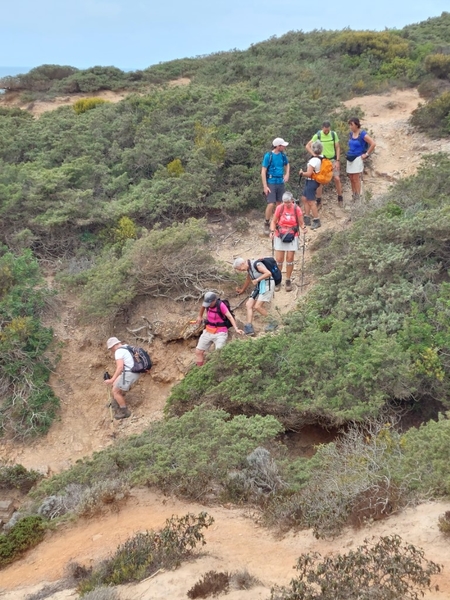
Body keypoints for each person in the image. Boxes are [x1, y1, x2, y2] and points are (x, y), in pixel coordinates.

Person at [270, 191, 307, 292]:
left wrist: (303, 228)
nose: (286, 204)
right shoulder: (280, 208)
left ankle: (288, 280)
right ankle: (278, 280)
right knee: (279, 259)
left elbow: (301, 222)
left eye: (288, 202)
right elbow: (273, 221)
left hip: (292, 235)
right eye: (284, 202)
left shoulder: (297, 209)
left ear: (292, 200)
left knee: (290, 258)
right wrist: (272, 231)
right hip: (280, 234)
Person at [195, 292, 243, 367]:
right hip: (208, 330)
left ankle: (217, 371)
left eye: (210, 303)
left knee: (218, 354)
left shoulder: (220, 305)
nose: (208, 305)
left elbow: (230, 317)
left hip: (220, 332)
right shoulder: (207, 304)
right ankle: (199, 370)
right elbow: (203, 307)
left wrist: (236, 328)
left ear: (214, 300)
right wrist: (199, 316)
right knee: (198, 351)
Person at [233, 257, 277, 335]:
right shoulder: (248, 268)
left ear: (242, 263)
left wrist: (257, 280)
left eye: (240, 269)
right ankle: (249, 327)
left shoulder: (256, 264)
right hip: (260, 285)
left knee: (257, 306)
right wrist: (242, 289)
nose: (240, 270)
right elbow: (248, 278)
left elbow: (268, 273)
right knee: (248, 304)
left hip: (267, 284)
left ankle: (273, 321)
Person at [306, 120, 343, 206]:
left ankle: (340, 197)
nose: (326, 131)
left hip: (332, 160)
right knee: (320, 180)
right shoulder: (318, 135)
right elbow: (308, 146)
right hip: (322, 161)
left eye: (328, 130)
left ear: (330, 128)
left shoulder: (334, 134)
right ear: (322, 128)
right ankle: (319, 200)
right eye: (325, 130)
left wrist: (337, 160)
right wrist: (314, 155)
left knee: (337, 178)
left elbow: (337, 147)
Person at [105, 337, 140, 419]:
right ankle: (116, 402)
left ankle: (125, 412)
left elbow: (120, 367)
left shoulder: (118, 351)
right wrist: (114, 380)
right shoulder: (127, 347)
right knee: (115, 384)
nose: (111, 350)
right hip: (134, 371)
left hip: (130, 373)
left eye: (111, 348)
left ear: (114, 345)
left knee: (115, 391)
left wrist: (111, 379)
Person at [261, 137, 290, 236]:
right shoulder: (268, 156)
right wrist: (265, 186)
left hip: (280, 182)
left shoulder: (282, 155)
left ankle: (277, 223)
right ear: (278, 146)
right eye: (282, 146)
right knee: (271, 203)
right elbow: (263, 171)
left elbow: (287, 164)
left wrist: (287, 174)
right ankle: (267, 222)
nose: (284, 147)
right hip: (271, 181)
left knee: (280, 204)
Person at [346, 117, 376, 202]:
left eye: (351, 125)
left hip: (358, 158)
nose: (350, 127)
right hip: (350, 157)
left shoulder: (362, 134)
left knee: (356, 178)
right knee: (351, 178)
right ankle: (354, 195)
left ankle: (358, 197)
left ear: (356, 124)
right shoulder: (351, 134)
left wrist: (366, 154)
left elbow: (373, 144)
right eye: (350, 125)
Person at [299, 140, 324, 231]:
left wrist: (302, 173)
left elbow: (309, 173)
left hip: (311, 182)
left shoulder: (313, 160)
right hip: (314, 181)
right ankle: (306, 217)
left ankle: (316, 220)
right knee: (305, 198)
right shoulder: (321, 157)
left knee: (311, 201)